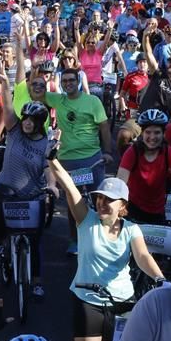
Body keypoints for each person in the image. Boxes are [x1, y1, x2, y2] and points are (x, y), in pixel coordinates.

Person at [49, 159, 164, 341]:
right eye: (99, 198)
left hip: (122, 302)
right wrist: (52, 158)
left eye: (109, 200)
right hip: (87, 300)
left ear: (122, 207)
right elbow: (68, 184)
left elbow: (143, 256)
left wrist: (160, 279)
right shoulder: (85, 220)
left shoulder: (132, 230)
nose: (101, 203)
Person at [0, 97, 58, 300]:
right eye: (25, 118)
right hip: (6, 189)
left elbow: (48, 167)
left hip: (32, 195)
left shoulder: (46, 142)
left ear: (40, 123)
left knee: (34, 241)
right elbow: (8, 109)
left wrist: (52, 185)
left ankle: (36, 281)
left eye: (32, 120)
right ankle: (1, 243)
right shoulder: (15, 132)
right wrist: (4, 86)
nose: (27, 122)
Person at [47, 65, 115, 254]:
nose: (68, 84)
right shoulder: (58, 100)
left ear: (79, 82)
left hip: (92, 159)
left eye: (72, 80)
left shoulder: (92, 101)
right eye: (65, 81)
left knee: (101, 200)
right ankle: (74, 240)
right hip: (68, 160)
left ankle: (106, 238)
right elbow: (34, 93)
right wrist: (38, 69)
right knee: (73, 202)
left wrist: (107, 151)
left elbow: (104, 128)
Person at [116, 109, 171, 223]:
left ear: (163, 134)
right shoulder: (132, 152)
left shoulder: (169, 153)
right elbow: (119, 185)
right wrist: (116, 211)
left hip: (157, 212)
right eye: (148, 132)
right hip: (132, 209)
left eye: (157, 132)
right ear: (142, 133)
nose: (152, 137)